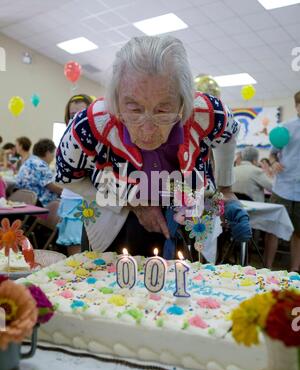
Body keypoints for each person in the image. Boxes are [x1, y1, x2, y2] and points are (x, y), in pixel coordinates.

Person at [56, 35, 250, 257]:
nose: (147, 130)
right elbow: (67, 178)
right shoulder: (89, 124)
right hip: (116, 222)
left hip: (189, 210)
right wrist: (133, 203)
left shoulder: (206, 112)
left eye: (162, 110)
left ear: (183, 101)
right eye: (134, 109)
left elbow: (229, 133)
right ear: (116, 98)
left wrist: (225, 188)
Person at [265, 90, 300, 271]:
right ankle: (267, 267)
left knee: (298, 234)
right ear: (296, 107)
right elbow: (272, 154)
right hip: (283, 187)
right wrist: (274, 163)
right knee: (274, 229)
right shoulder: (286, 128)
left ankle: (295, 273)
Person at [57, 95, 93, 256]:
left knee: (95, 252)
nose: (77, 118)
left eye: (82, 113)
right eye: (72, 115)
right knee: (76, 253)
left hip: (94, 202)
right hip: (73, 201)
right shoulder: (66, 140)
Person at [16, 139, 62, 207]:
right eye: (53, 154)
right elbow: (54, 188)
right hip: (39, 204)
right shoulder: (40, 165)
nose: (53, 158)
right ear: (48, 153)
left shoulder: (30, 161)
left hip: (24, 201)